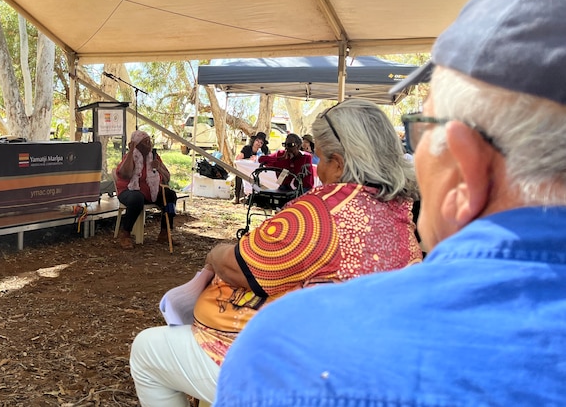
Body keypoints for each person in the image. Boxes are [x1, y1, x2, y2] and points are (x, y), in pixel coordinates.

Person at [215, 0, 566, 406]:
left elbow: (247, 267)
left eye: (423, 130)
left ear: (465, 166)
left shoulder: (292, 352)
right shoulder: (399, 206)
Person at [130, 98, 422, 406]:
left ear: (338, 164)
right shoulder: (401, 213)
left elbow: (240, 267)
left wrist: (214, 254)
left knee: (148, 351)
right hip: (376, 370)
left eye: (320, 159)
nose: (318, 169)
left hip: (315, 378)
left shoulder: (322, 214)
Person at [115, 130, 177, 249]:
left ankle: (165, 232)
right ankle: (126, 234)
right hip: (128, 191)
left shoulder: (154, 156)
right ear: (136, 144)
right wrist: (131, 151)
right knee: (136, 198)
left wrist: (159, 168)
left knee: (170, 195)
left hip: (151, 192)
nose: (149, 145)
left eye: (150, 141)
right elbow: (125, 174)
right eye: (145, 142)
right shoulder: (130, 156)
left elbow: (167, 178)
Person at [232, 131, 270, 204]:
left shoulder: (265, 150)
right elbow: (239, 158)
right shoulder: (247, 148)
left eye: (261, 143)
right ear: (254, 141)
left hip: (258, 170)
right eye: (257, 141)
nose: (258, 143)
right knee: (238, 174)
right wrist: (247, 159)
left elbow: (267, 160)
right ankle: (236, 196)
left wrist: (258, 158)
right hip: (246, 169)